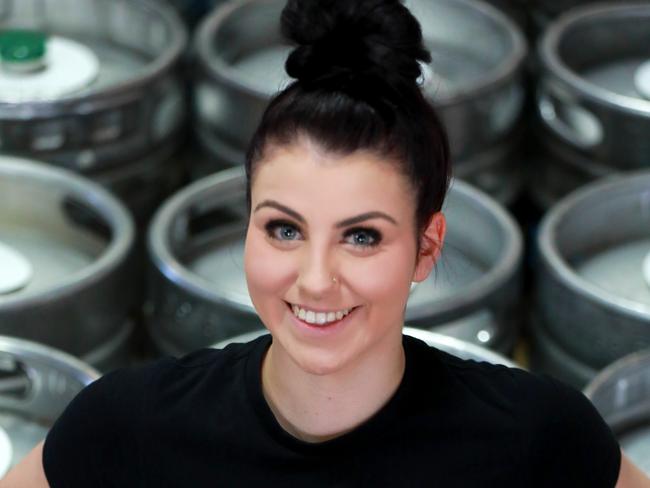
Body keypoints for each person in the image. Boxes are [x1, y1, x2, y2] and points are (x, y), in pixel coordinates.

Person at [3, 0, 650, 486]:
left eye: (362, 237)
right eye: (284, 229)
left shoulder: (536, 441)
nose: (315, 279)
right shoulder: (131, 427)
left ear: (427, 248)